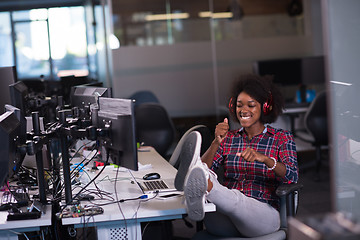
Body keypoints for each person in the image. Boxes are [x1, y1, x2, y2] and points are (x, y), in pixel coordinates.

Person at [182, 74, 298, 238]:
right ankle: (204, 190)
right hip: (227, 218)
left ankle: (206, 190)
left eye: (251, 105)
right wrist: (216, 142)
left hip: (263, 218)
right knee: (202, 172)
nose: (244, 110)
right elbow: (204, 169)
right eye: (239, 105)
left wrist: (266, 159)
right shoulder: (229, 138)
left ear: (265, 107)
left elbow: (292, 176)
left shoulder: (281, 138)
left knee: (234, 199)